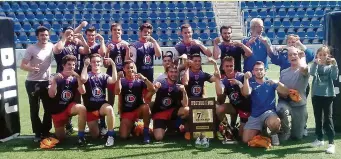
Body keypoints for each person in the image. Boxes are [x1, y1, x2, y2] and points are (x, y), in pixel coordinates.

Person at [241, 61, 289, 146]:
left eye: (261, 69)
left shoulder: (270, 82)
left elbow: (286, 92)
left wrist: (277, 82)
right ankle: (263, 133)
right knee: (246, 140)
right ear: (253, 72)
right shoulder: (251, 83)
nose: (259, 71)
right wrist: (245, 79)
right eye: (256, 70)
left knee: (275, 122)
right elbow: (246, 93)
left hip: (269, 113)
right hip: (255, 115)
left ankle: (274, 134)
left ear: (265, 71)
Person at [20, 26, 53, 142]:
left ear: (49, 36)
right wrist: (31, 68)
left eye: (46, 35)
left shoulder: (51, 46)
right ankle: (38, 133)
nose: (44, 37)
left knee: (49, 108)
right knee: (35, 109)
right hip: (33, 83)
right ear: (37, 37)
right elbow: (22, 65)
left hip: (47, 82)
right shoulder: (31, 48)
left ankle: (46, 131)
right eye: (42, 35)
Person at [48, 55, 87, 146]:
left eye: (73, 64)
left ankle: (81, 137)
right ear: (63, 65)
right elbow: (51, 95)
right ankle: (63, 130)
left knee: (82, 108)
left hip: (69, 108)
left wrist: (78, 78)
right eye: (69, 64)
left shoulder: (75, 78)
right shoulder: (56, 76)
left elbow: (83, 91)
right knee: (61, 138)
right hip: (57, 110)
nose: (72, 66)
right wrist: (54, 81)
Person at [80, 54, 117, 147]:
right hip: (91, 109)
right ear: (90, 64)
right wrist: (85, 65)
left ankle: (111, 135)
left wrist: (113, 65)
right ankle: (99, 124)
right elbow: (83, 79)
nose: (96, 63)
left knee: (109, 109)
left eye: (98, 61)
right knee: (95, 136)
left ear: (101, 63)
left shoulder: (104, 76)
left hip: (101, 107)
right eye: (93, 62)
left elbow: (113, 80)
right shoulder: (88, 75)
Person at [115, 60, 155, 144]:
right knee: (123, 136)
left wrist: (144, 79)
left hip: (138, 110)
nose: (130, 70)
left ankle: (146, 132)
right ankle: (133, 126)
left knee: (146, 107)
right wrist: (118, 78)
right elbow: (117, 92)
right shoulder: (121, 81)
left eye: (132, 67)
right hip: (127, 112)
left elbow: (153, 89)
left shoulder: (139, 80)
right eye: (128, 68)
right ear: (124, 69)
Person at [276, 47, 310, 141]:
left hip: (299, 104)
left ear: (299, 55)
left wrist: (303, 57)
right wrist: (282, 93)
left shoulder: (304, 70)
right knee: (281, 110)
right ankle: (285, 131)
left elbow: (303, 67)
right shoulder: (283, 72)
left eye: (295, 54)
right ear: (288, 58)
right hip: (285, 102)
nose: (292, 56)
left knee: (297, 137)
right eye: (290, 55)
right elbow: (279, 88)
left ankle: (297, 130)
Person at [310, 46, 338, 154]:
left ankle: (331, 143)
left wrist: (335, 65)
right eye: (320, 54)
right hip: (316, 95)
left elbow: (335, 77)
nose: (322, 57)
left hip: (328, 95)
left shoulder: (331, 66)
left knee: (328, 119)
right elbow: (312, 73)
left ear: (328, 56)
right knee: (318, 118)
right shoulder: (316, 65)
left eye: (324, 54)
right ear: (317, 55)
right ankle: (320, 139)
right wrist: (315, 63)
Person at [216, 56, 251, 137]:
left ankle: (239, 126)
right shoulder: (224, 80)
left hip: (246, 107)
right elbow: (220, 93)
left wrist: (239, 83)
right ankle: (228, 128)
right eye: (227, 66)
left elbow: (246, 94)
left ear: (234, 66)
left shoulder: (241, 76)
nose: (229, 68)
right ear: (223, 67)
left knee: (240, 136)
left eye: (231, 66)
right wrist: (217, 79)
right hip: (234, 106)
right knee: (219, 109)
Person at [152, 64, 189, 141]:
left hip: (172, 112)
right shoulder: (160, 83)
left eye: (175, 72)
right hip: (160, 114)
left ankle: (175, 127)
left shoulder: (179, 86)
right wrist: (154, 90)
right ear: (167, 73)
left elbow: (185, 104)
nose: (173, 74)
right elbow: (148, 98)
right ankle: (160, 126)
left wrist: (184, 91)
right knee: (159, 138)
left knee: (187, 110)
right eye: (171, 72)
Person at [104, 23, 130, 107]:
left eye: (118, 30)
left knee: (124, 98)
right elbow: (106, 65)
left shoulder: (126, 44)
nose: (117, 32)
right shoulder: (108, 44)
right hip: (111, 74)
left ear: (121, 32)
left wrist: (127, 50)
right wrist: (107, 51)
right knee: (111, 99)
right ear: (111, 32)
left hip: (123, 74)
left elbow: (128, 62)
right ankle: (110, 116)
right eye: (114, 30)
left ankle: (122, 116)